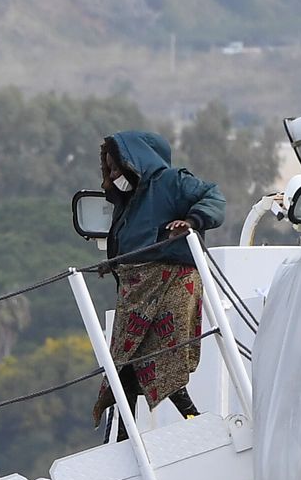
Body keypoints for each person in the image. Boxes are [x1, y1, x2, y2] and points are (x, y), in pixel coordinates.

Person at [91, 131, 225, 430]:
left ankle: (192, 420)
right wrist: (112, 263)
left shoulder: (172, 181)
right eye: (109, 169)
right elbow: (129, 240)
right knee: (125, 362)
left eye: (117, 167)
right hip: (135, 289)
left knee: (164, 355)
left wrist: (191, 222)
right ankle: (126, 435)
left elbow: (213, 197)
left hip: (171, 280)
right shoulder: (127, 199)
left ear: (134, 161)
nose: (113, 175)